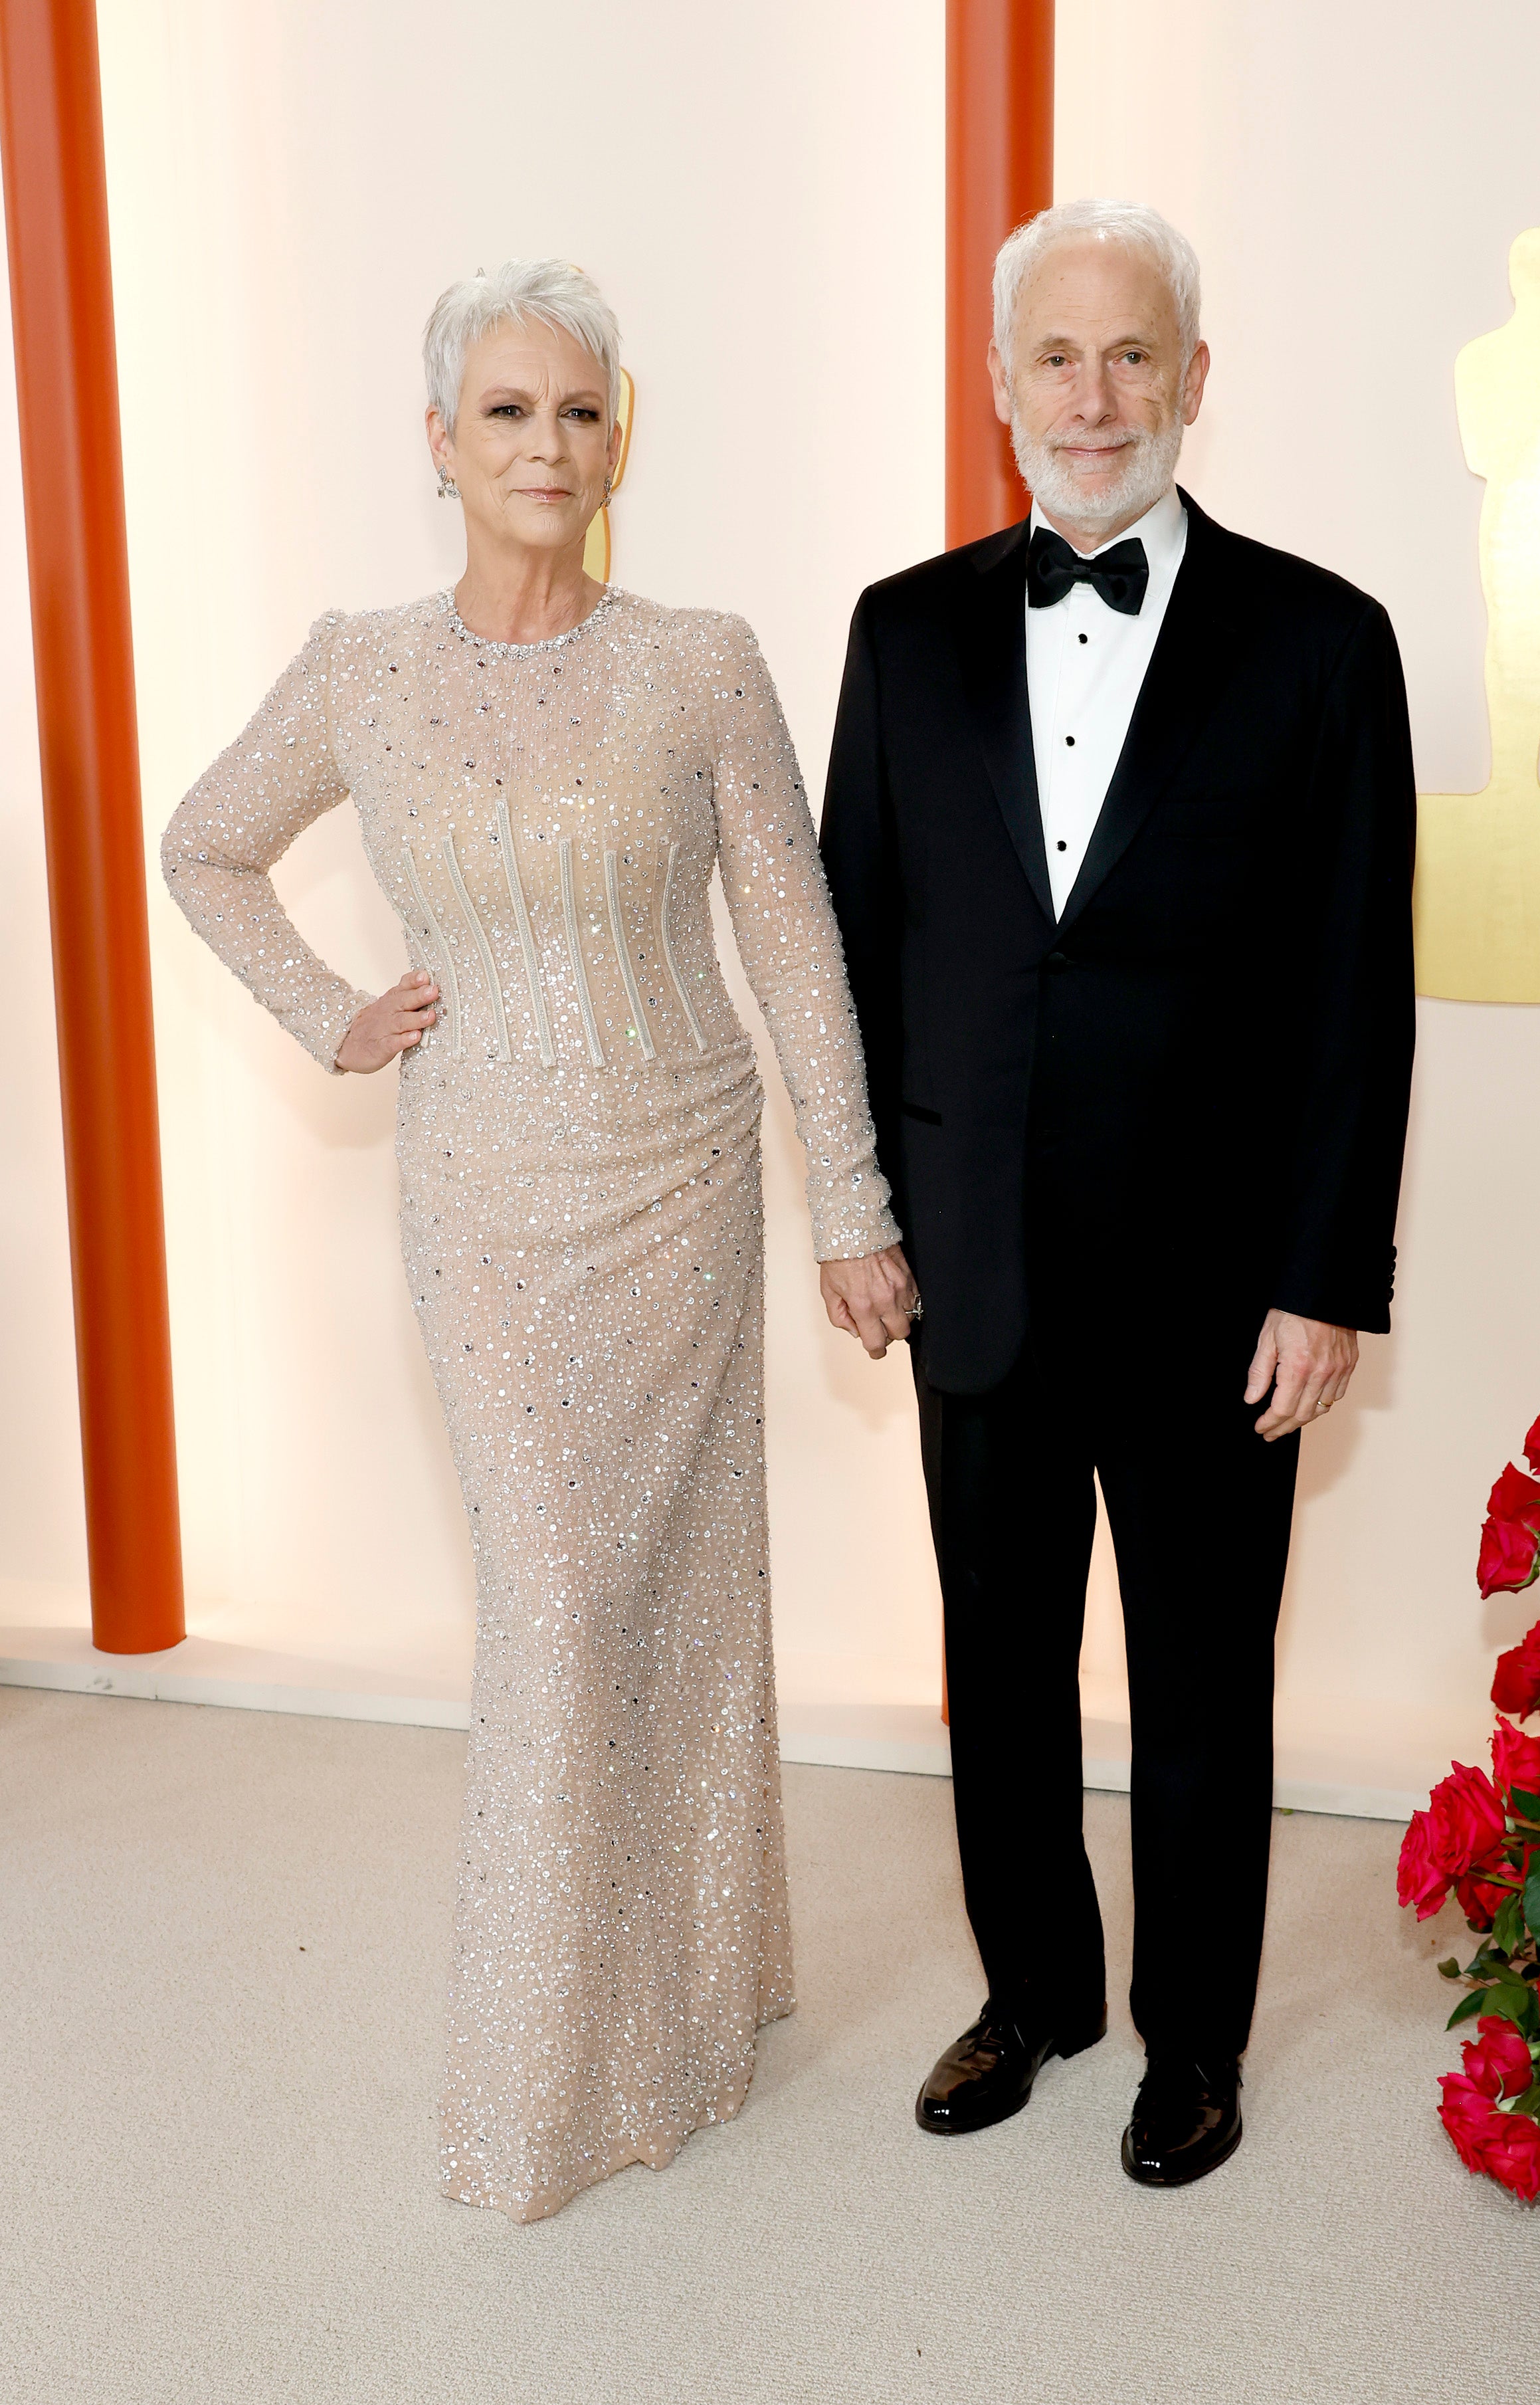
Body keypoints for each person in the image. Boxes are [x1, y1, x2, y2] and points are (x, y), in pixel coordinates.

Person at [161, 259, 917, 2223]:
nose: (544, 444)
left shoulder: (705, 659)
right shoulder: (357, 664)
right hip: (484, 1198)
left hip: (679, 1174)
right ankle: (531, 2087)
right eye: (505, 410)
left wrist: (849, 1199)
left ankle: (692, 2000)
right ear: (437, 442)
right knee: (564, 1603)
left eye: (578, 411)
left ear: (618, 441)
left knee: (680, 1603)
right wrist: (332, 1009)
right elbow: (203, 841)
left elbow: (791, 938)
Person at [818, 199, 1416, 2186]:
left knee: (1201, 1684)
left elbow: (1357, 985)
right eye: (1056, 360)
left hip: (1216, 1281)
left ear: (1195, 381)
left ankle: (1194, 2042)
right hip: (969, 1260)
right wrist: (852, 1204)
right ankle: (1038, 1993)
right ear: (1000, 391)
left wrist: (1328, 1275)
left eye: (1132, 355)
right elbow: (854, 941)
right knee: (995, 1659)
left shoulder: (1329, 644)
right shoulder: (898, 632)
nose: (1095, 397)